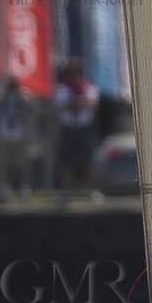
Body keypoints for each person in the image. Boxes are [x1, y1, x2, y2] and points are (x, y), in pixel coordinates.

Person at [54, 56, 100, 203]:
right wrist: (78, 102)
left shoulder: (88, 86)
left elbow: (93, 104)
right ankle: (65, 194)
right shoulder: (62, 87)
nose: (74, 74)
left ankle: (93, 192)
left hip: (84, 128)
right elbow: (61, 106)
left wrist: (76, 103)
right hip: (68, 129)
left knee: (88, 162)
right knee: (67, 163)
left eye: (76, 71)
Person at [0, 75, 35, 203]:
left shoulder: (24, 97)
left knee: (22, 164)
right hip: (4, 136)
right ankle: (5, 190)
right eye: (10, 86)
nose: (12, 89)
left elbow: (30, 110)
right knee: (4, 164)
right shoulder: (1, 99)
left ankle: (24, 189)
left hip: (20, 136)